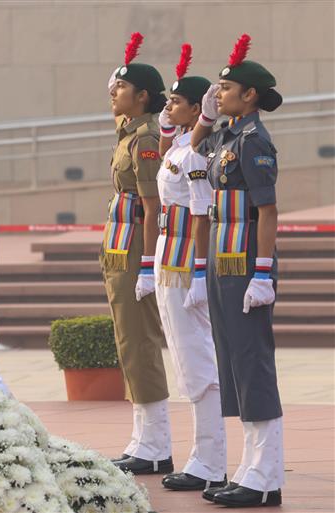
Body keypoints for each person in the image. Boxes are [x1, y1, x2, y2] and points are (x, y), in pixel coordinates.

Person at [190, 34, 284, 508]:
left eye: (226, 88)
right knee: (232, 366)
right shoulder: (225, 135)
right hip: (223, 263)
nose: (218, 91)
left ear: (250, 96)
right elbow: (189, 158)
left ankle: (265, 475)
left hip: (247, 261)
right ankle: (250, 468)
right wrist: (204, 120)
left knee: (253, 365)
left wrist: (263, 274)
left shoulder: (254, 140)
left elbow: (267, 212)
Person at [153, 43, 228, 493]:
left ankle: (210, 460)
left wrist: (199, 272)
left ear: (198, 109)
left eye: (176, 101)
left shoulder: (197, 153)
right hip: (169, 255)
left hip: (185, 260)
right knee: (186, 360)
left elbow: (201, 211)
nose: (168, 107)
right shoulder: (184, 143)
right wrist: (177, 119)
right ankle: (204, 457)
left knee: (196, 362)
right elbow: (168, 144)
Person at [102, 32, 172, 475]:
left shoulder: (147, 138)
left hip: (135, 248)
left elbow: (153, 206)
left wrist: (147, 262)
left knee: (139, 340)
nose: (113, 94)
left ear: (143, 97)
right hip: (119, 245)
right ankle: (143, 438)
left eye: (122, 89)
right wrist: (118, 77)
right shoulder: (130, 132)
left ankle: (156, 443)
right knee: (126, 341)